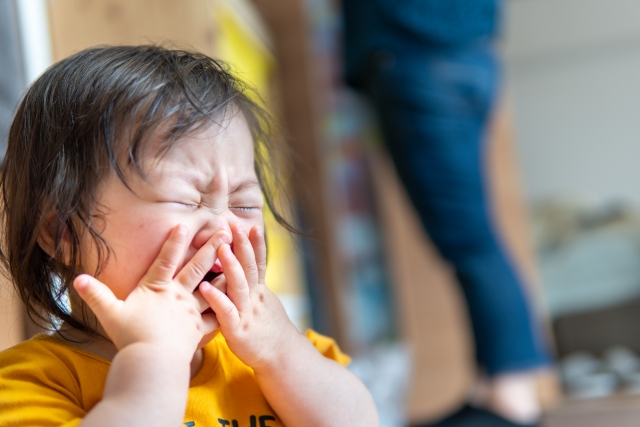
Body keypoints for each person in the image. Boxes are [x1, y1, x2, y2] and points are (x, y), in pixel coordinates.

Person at [0, 45, 379, 427]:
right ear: (61, 233)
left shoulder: (278, 357)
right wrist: (154, 357)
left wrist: (280, 351)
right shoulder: (34, 381)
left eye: (244, 204)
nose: (223, 230)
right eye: (183, 200)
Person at [342, 1, 550, 426]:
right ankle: (494, 388)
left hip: (423, 52)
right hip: (454, 50)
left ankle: (513, 398)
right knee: (469, 235)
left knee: (469, 239)